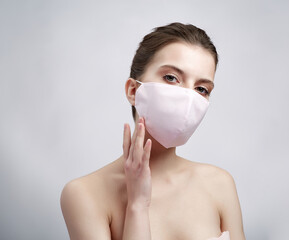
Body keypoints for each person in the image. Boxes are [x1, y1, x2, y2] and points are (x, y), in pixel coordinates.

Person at [60, 22, 246, 240]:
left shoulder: (219, 184)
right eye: (171, 78)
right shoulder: (84, 194)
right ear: (133, 90)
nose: (188, 98)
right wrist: (137, 205)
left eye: (201, 89)